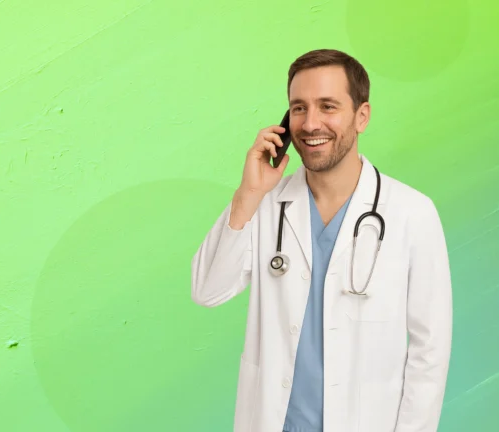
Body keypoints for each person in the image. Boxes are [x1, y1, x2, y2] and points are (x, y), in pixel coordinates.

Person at [190, 49, 453, 432]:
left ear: (361, 116)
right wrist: (248, 193)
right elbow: (207, 290)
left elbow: (430, 351)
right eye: (299, 108)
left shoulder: (412, 213)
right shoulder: (264, 204)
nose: (311, 124)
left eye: (328, 106)